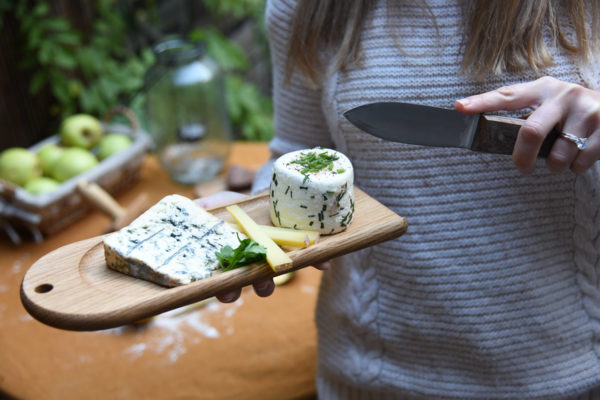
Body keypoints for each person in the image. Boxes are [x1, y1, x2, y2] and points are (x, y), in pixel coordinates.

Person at [200, 0, 600, 398]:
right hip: (372, 380)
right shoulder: (304, 7)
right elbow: (296, 154)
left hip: (577, 376)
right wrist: (248, 218)